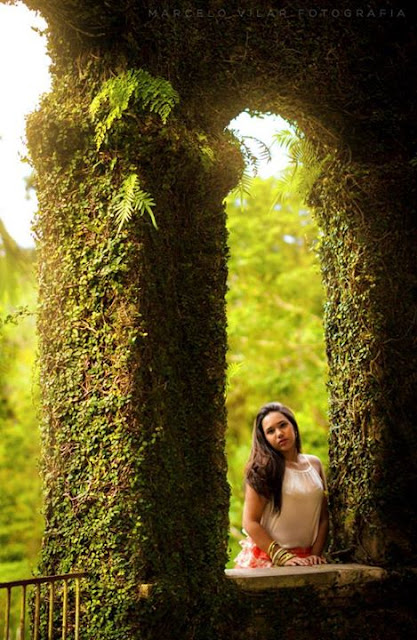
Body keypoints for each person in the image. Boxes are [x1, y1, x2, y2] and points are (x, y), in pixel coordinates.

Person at [235, 401, 329, 568]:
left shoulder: (314, 464)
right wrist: (281, 556)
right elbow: (250, 522)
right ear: (264, 439)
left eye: (283, 425)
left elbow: (323, 518)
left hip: (306, 559)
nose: (279, 433)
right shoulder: (263, 470)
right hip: (268, 559)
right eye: (270, 431)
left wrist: (315, 554)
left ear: (294, 427)